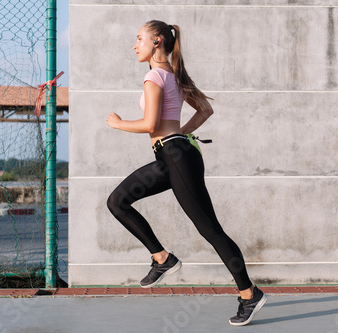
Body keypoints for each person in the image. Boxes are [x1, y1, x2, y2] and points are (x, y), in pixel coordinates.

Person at [106, 20, 267, 326]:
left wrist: (119, 123)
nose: (134, 44)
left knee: (210, 230)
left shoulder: (154, 76)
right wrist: (180, 135)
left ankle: (250, 294)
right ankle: (162, 258)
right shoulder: (174, 75)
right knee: (117, 201)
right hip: (174, 155)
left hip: (176, 157)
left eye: (139, 38)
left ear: (156, 42)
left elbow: (150, 124)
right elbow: (205, 110)